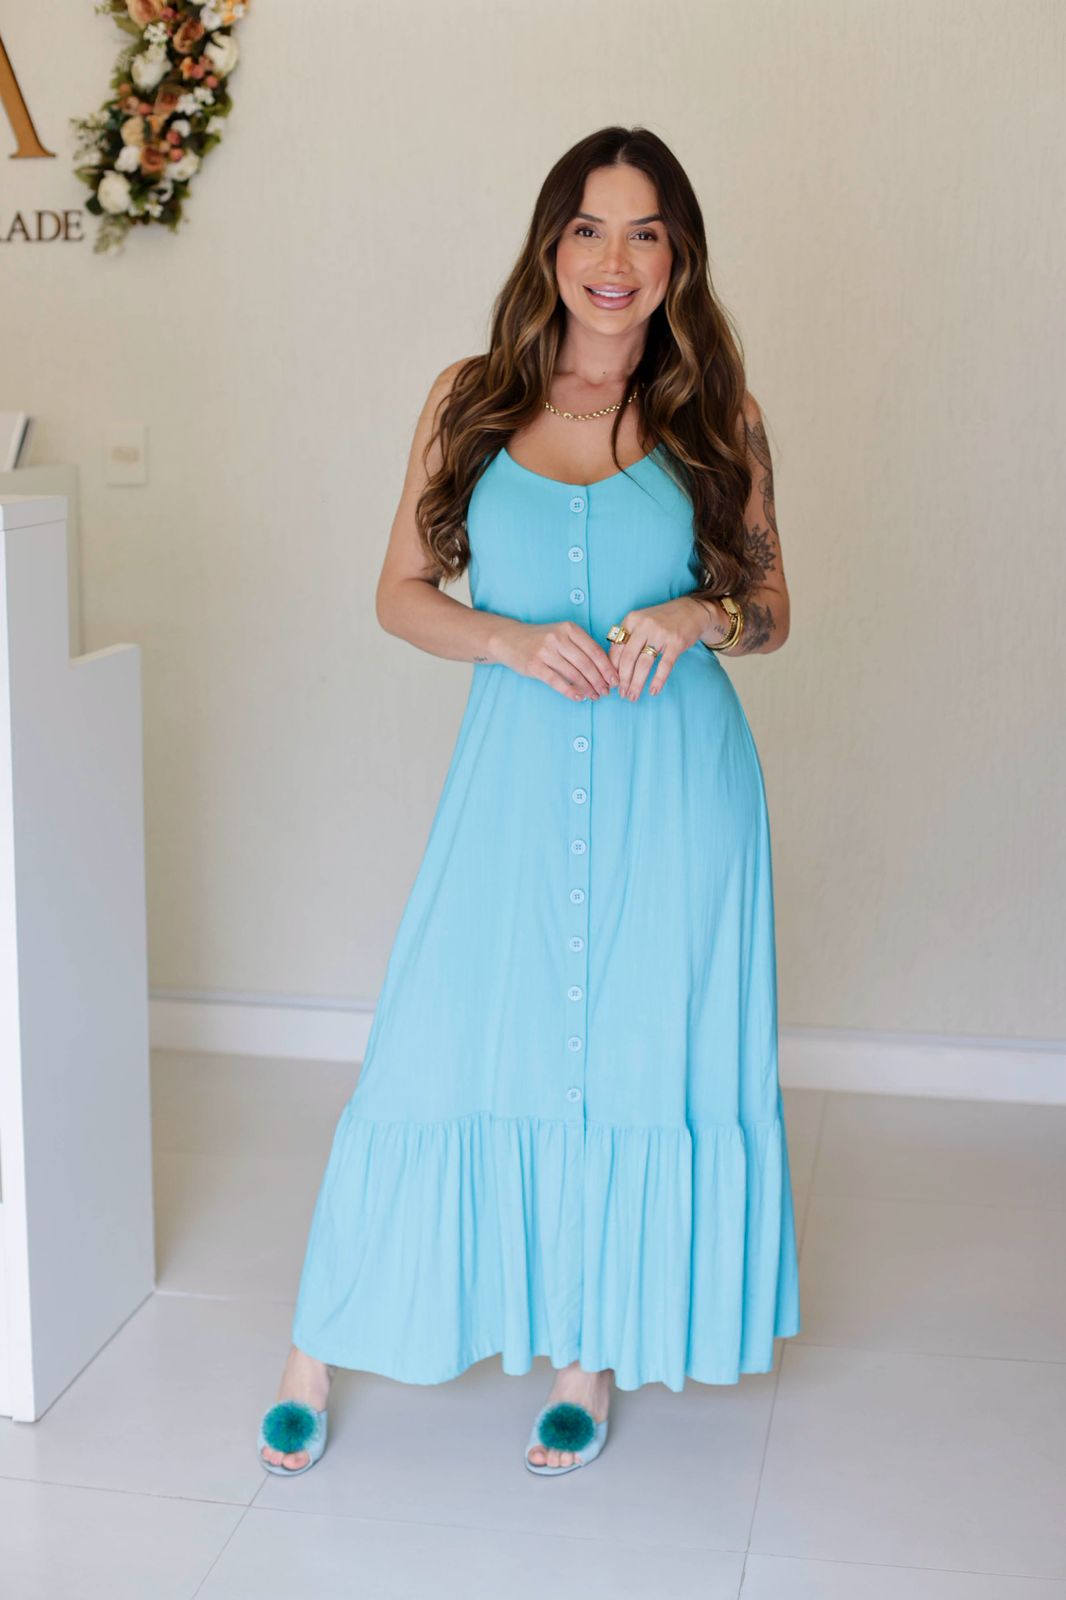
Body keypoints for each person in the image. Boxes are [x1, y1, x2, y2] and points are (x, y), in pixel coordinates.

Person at [258, 123, 800, 1478]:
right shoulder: (470, 399)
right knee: (431, 1039)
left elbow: (772, 611)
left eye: (644, 233)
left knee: (627, 1059)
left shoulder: (716, 415)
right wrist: (502, 637)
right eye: (587, 229)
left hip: (676, 790)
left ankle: (585, 1353)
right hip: (510, 779)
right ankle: (318, 1343)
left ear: (679, 258)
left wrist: (699, 611)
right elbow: (399, 595)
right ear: (550, 247)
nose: (614, 260)